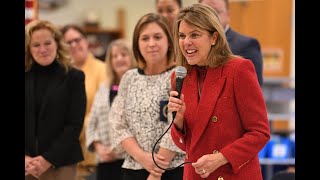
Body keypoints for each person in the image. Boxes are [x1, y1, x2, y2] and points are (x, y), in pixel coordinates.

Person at [168, 4, 270, 180]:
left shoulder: (239, 70)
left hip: (232, 174)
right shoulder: (179, 77)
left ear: (214, 37)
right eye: (182, 36)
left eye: (195, 35)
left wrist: (221, 158)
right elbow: (185, 145)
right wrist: (178, 122)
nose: (186, 42)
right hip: (195, 175)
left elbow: (260, 133)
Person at [108, 13, 185, 180]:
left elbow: (179, 124)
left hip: (172, 169)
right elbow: (118, 124)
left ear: (169, 41)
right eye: (145, 38)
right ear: (137, 44)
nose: (151, 44)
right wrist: (142, 157)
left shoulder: (178, 77)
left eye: (157, 37)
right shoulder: (129, 78)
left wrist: (155, 171)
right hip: (134, 167)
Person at [25, 20, 86, 180]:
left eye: (47, 43)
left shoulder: (74, 77)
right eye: (36, 45)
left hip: (61, 163)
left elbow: (74, 125)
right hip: (27, 164)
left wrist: (47, 159)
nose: (43, 49)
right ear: (29, 49)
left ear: (57, 44)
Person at [85, 39, 136, 180]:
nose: (119, 59)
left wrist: (118, 151)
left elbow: (142, 126)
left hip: (132, 162)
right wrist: (98, 146)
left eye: (123, 54)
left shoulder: (139, 86)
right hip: (105, 163)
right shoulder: (104, 87)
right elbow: (92, 122)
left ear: (132, 58)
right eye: (114, 56)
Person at [61, 24, 107, 180]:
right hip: (63, 159)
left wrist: (73, 128)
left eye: (77, 40)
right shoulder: (61, 74)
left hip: (93, 157)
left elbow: (104, 111)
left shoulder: (104, 70)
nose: (74, 45)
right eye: (68, 42)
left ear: (86, 41)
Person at [199, 0, 264, 86]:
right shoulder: (191, 43)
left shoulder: (248, 45)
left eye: (216, 12)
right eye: (205, 12)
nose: (211, 17)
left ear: (228, 15)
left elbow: (253, 89)